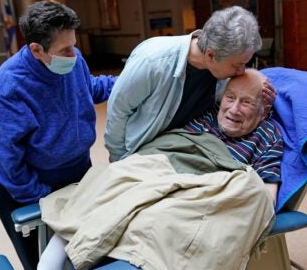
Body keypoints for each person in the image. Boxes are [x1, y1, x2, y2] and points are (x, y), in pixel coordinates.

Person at [37, 69, 283, 270]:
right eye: (230, 97)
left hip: (201, 187)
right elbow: (166, 145)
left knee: (158, 217)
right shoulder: (207, 112)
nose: (233, 108)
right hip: (161, 163)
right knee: (108, 181)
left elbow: (264, 198)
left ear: (263, 112)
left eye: (247, 102)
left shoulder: (268, 135)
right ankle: (54, 258)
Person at [0, 1, 117, 270]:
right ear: (36, 49)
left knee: (89, 252)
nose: (74, 54)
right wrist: (45, 197)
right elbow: (8, 161)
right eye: (65, 49)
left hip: (75, 172)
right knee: (43, 262)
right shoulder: (9, 87)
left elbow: (89, 89)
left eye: (74, 44)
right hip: (26, 184)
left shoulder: (72, 60)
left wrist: (126, 82)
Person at [104, 5, 276, 163]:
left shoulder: (222, 67)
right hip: (142, 151)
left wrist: (262, 102)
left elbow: (237, 109)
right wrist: (119, 159)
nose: (241, 71)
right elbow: (118, 110)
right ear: (210, 55)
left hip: (184, 149)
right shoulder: (152, 61)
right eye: (237, 65)